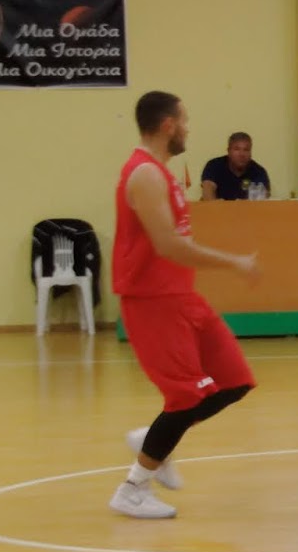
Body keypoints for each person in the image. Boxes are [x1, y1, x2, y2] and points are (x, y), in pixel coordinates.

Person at [110, 92, 260, 519]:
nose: (188, 128)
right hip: (152, 301)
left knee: (234, 382)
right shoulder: (144, 175)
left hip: (182, 296)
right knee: (184, 397)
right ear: (168, 125)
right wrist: (233, 262)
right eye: (185, 120)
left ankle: (152, 439)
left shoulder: (162, 173)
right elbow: (169, 246)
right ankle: (132, 489)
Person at [199, 131, 270, 201]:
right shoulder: (214, 166)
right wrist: (216, 205)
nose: (242, 154)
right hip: (217, 208)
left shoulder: (258, 172)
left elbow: (262, 198)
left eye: (246, 150)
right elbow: (208, 190)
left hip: (247, 208)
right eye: (237, 149)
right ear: (228, 151)